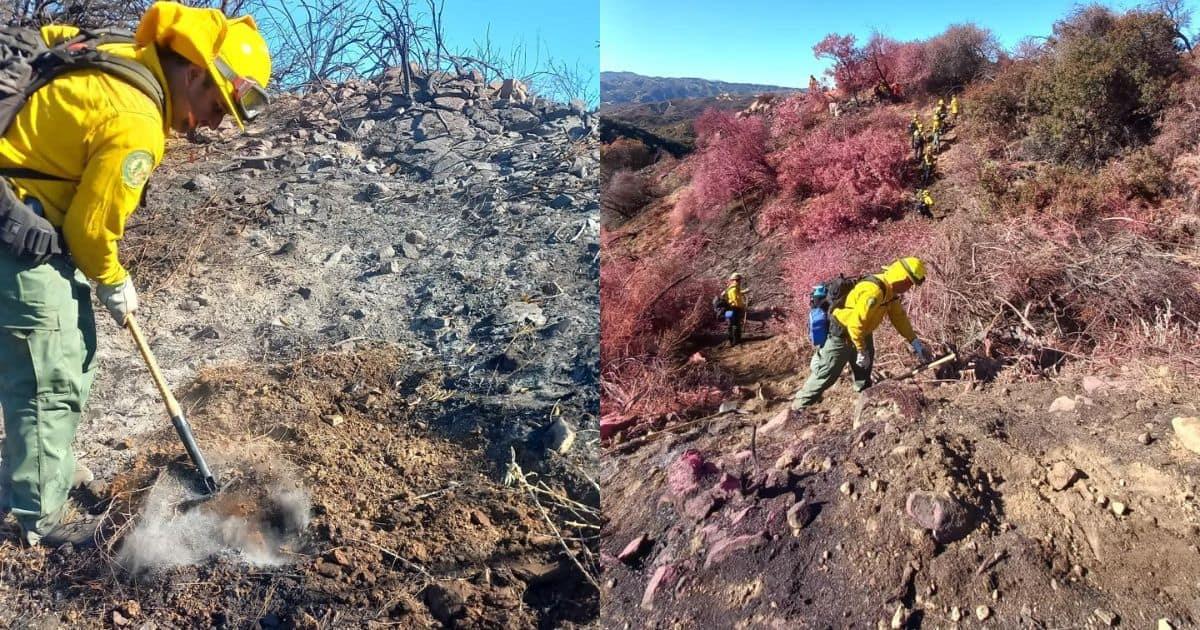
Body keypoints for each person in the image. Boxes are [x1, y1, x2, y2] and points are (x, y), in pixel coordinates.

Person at [0, 1, 271, 547]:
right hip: (21, 233)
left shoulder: (121, 49)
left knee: (69, 353)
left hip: (24, 214)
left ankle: (47, 468)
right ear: (194, 72)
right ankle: (39, 517)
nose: (214, 124)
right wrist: (115, 281)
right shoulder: (137, 123)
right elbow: (91, 232)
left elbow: (47, 37)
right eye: (218, 106)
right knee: (46, 377)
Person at [791, 258, 932, 410]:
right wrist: (861, 350)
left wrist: (914, 341)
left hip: (862, 334)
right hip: (843, 335)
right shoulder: (874, 292)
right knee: (827, 374)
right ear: (902, 277)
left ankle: (865, 403)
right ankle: (798, 407)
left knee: (863, 374)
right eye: (909, 283)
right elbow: (854, 324)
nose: (909, 287)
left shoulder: (889, 291)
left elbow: (899, 318)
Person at [722, 272, 748, 346]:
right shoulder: (734, 289)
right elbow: (735, 300)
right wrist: (742, 307)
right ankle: (735, 341)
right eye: (739, 280)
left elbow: (737, 294)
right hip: (734, 308)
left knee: (730, 324)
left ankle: (731, 340)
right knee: (735, 324)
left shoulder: (730, 288)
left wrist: (744, 292)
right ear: (736, 280)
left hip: (728, 309)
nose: (739, 282)